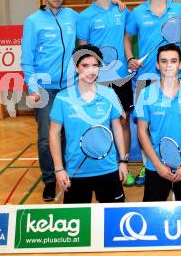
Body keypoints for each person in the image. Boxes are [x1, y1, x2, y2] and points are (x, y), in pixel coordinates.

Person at [125, 0, 181, 185]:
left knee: (172, 122)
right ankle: (149, 166)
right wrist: (129, 58)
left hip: (174, 77)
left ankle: (178, 162)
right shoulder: (137, 12)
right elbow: (127, 37)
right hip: (146, 78)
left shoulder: (179, 9)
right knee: (147, 126)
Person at [21, 0, 78, 201]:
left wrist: (115, 2)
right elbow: (27, 59)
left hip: (69, 87)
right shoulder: (33, 21)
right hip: (43, 89)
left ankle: (65, 173)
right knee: (46, 136)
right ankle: (49, 179)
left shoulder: (73, 16)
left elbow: (95, 18)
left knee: (66, 134)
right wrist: (32, 87)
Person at [77, 0, 135, 187]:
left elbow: (129, 37)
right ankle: (103, 167)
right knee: (100, 123)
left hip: (120, 78)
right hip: (96, 80)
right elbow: (82, 51)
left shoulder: (122, 11)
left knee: (123, 121)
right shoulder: (85, 17)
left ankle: (124, 166)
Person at [49, 44, 127, 204]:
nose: (91, 70)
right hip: (76, 171)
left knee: (113, 221)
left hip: (108, 168)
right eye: (85, 65)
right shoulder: (63, 98)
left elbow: (117, 127)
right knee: (77, 225)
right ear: (76, 67)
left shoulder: (109, 94)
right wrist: (59, 169)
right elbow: (53, 134)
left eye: (95, 65)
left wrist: (123, 161)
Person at [135, 44, 181, 201]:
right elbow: (141, 132)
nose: (168, 65)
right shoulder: (145, 93)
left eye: (173, 61)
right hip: (156, 166)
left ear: (180, 65)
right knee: (152, 217)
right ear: (157, 65)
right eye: (164, 61)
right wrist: (158, 165)